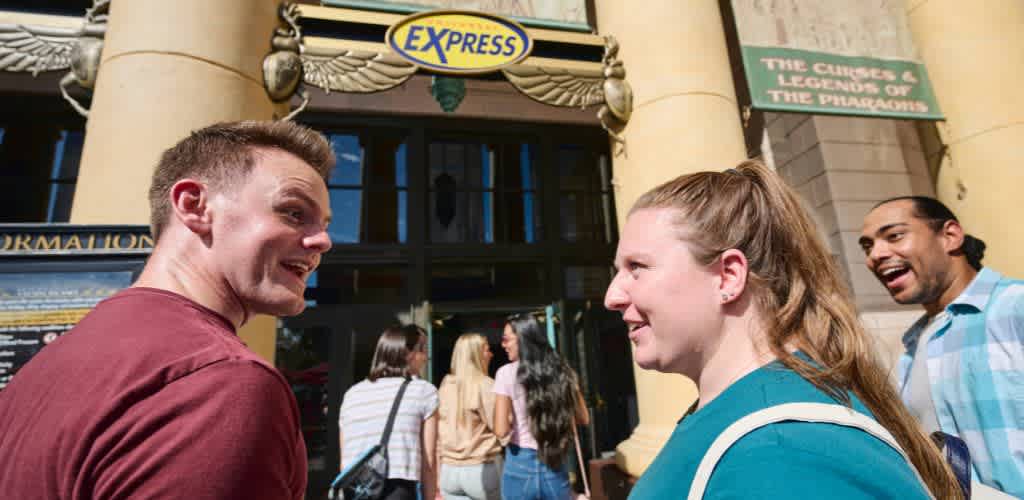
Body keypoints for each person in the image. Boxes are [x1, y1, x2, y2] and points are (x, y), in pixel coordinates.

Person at [0, 121, 335, 499]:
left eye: (324, 224)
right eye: (293, 213)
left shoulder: (43, 368)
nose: (323, 241)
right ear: (194, 206)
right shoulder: (221, 382)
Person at [604, 160, 963, 499]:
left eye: (637, 267)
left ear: (728, 276)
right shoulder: (750, 421)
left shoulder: (782, 449)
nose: (612, 297)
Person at [860, 196, 1023, 497]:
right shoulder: (912, 347)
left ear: (950, 236)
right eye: (867, 247)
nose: (875, 255)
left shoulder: (1015, 306)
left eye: (894, 236)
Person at [494, 313, 590, 500]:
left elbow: (501, 430)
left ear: (522, 339)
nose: (503, 345)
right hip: (554, 462)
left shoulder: (505, 374)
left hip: (519, 464)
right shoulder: (563, 371)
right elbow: (583, 418)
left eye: (506, 339)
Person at [339, 325, 439, 500]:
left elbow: (345, 459)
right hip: (397, 489)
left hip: (356, 489)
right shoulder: (423, 391)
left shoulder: (352, 394)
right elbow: (428, 459)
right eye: (423, 350)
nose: (426, 358)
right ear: (407, 354)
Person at [437, 333, 504, 500]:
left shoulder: (446, 385)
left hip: (448, 471)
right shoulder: (485, 385)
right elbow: (501, 429)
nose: (491, 354)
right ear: (475, 354)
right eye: (487, 350)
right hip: (481, 469)